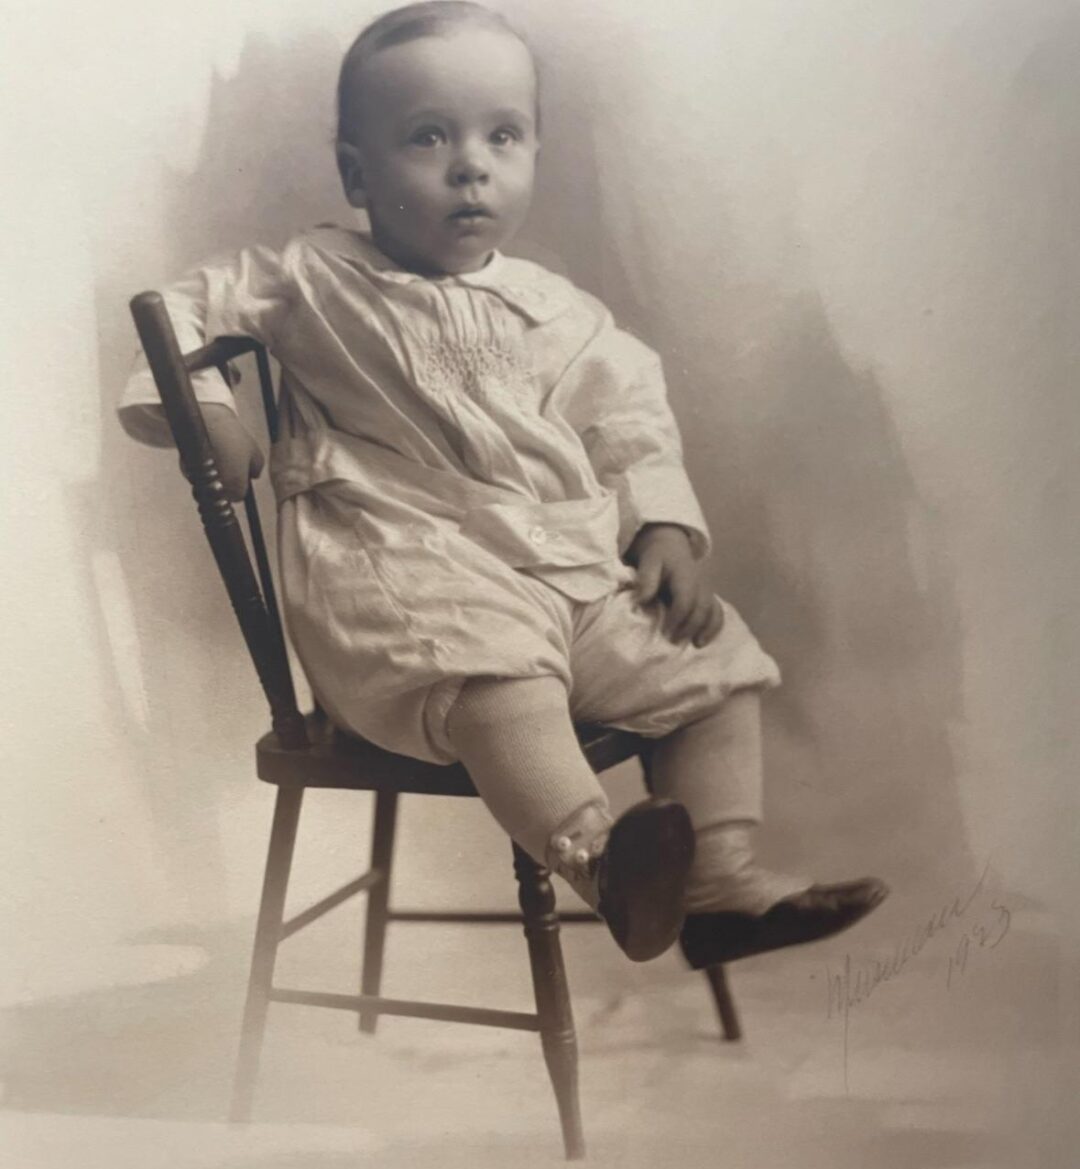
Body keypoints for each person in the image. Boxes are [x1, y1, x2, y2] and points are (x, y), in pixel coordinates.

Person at [120, 1, 887, 967]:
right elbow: (178, 311)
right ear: (358, 172)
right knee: (495, 674)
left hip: (562, 573)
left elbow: (628, 420)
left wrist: (663, 530)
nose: (469, 163)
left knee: (711, 659)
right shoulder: (312, 274)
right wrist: (207, 408)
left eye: (501, 135)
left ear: (531, 154)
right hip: (402, 582)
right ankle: (602, 859)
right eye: (428, 137)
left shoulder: (553, 306)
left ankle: (719, 882)